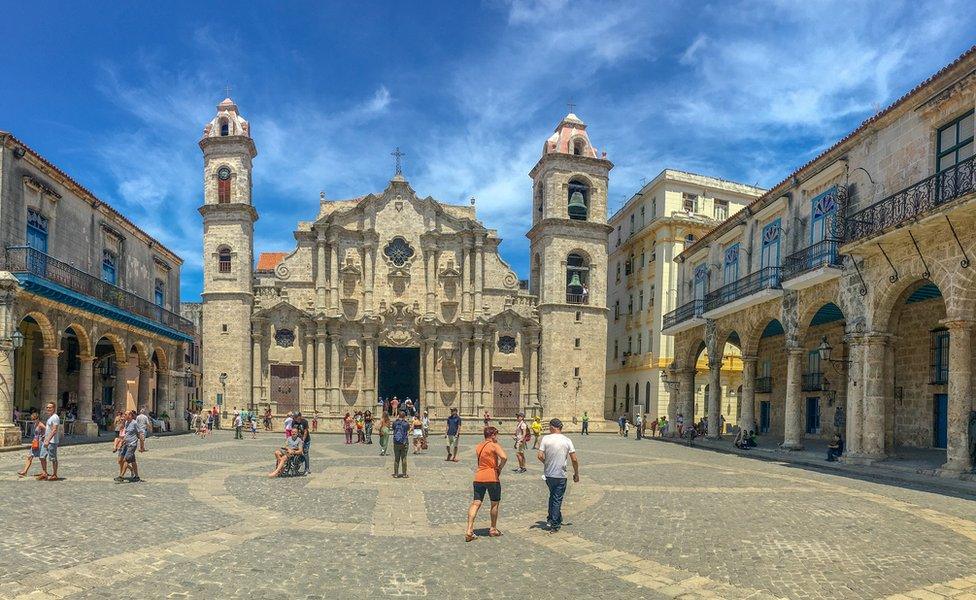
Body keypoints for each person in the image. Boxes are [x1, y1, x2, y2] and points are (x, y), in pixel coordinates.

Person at [465, 426, 508, 542]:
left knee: (476, 503)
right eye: (496, 435)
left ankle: (469, 530)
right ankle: (493, 529)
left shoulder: (479, 446)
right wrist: (499, 468)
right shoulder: (494, 445)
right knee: (494, 503)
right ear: (493, 435)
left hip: (478, 477)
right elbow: (504, 457)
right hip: (492, 477)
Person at [537, 419, 578, 533]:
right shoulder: (567, 440)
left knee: (553, 496)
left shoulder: (546, 439)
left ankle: (551, 518)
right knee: (557, 499)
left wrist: (547, 463)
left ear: (552, 427)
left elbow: (539, 455)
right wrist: (576, 473)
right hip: (560, 474)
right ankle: (555, 524)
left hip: (549, 474)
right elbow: (574, 459)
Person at [116, 409, 145, 483]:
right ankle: (137, 476)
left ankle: (121, 476)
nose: (124, 416)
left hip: (132, 445)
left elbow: (140, 434)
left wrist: (142, 446)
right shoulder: (126, 423)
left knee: (126, 460)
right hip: (126, 444)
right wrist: (122, 442)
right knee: (131, 461)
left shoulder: (135, 423)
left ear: (130, 416)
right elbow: (126, 433)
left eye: (126, 414)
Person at [36, 402, 61, 481]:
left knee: (53, 458)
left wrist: (48, 440)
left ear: (54, 408)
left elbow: (54, 430)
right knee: (42, 457)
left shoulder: (55, 417)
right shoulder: (50, 417)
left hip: (52, 442)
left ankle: (54, 474)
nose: (48, 409)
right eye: (47, 407)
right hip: (46, 440)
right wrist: (45, 437)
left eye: (50, 407)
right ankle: (44, 473)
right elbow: (49, 429)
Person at [17, 413, 44, 477]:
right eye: (32, 419)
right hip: (35, 442)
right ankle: (25, 471)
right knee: (30, 456)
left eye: (35, 419)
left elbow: (47, 431)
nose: (33, 420)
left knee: (41, 458)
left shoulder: (41, 425)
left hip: (39, 443)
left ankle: (44, 471)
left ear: (38, 418)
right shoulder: (35, 424)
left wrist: (43, 437)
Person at [392, 411, 410, 478]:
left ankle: (396, 474)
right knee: (404, 458)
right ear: (404, 416)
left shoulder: (395, 423)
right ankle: (404, 474)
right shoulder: (406, 424)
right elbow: (407, 430)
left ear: (398, 415)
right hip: (404, 442)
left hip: (396, 442)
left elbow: (393, 429)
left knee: (396, 458)